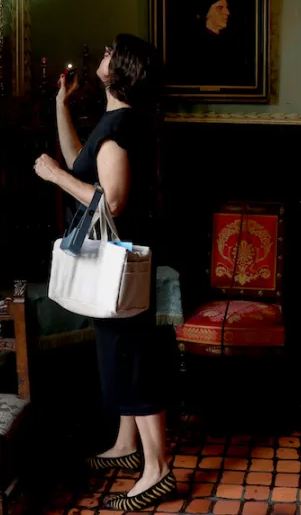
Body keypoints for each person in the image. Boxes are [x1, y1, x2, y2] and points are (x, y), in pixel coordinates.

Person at [33, 34, 175, 512]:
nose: (105, 55)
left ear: (122, 70)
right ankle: (125, 446)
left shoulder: (120, 127)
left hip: (118, 263)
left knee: (131, 357)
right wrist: (61, 105)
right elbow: (80, 161)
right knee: (121, 351)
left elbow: (111, 200)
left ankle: (157, 472)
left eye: (113, 52)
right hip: (115, 261)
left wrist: (54, 177)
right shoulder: (115, 121)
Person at [173, 0, 250, 88]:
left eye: (226, 7)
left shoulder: (233, 42)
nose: (227, 13)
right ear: (207, 13)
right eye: (220, 8)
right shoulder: (195, 45)